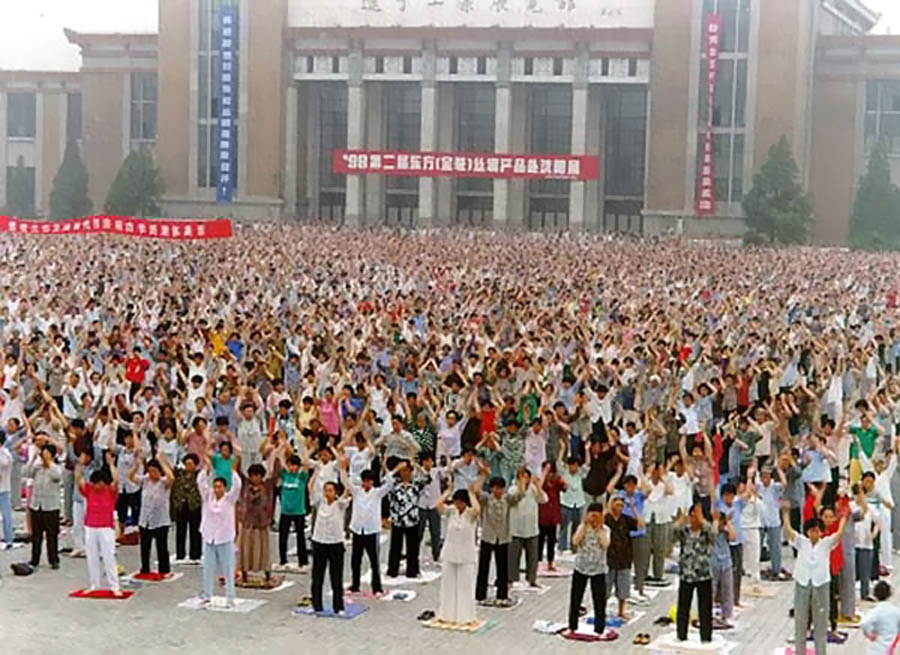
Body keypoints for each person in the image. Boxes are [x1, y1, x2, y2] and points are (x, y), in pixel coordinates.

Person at [783, 502, 847, 655]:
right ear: (807, 532)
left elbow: (839, 534)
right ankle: (800, 651)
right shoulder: (802, 542)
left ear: (821, 532)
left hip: (821, 584)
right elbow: (789, 532)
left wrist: (843, 518)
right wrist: (785, 515)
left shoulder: (826, 543)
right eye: (812, 531)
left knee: (821, 622)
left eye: (817, 531)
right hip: (802, 582)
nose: (814, 534)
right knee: (800, 620)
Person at [198, 453, 243, 608]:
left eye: (220, 487)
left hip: (225, 538)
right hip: (209, 537)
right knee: (208, 568)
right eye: (215, 487)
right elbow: (200, 482)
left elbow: (237, 486)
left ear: (225, 488)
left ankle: (230, 597)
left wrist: (233, 471)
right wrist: (206, 469)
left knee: (228, 569)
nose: (217, 489)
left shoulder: (230, 499)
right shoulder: (208, 497)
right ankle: (207, 595)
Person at [308, 456, 351, 614]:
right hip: (319, 542)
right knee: (317, 576)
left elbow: (348, 489)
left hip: (335, 544)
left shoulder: (340, 504)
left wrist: (343, 470)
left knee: (336, 577)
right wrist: (316, 472)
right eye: (326, 490)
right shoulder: (319, 502)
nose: (327, 493)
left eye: (331, 490)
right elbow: (310, 486)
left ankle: (338, 606)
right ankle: (317, 605)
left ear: (335, 492)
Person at [76, 451, 122, 595]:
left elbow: (116, 480)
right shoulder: (89, 490)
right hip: (90, 526)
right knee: (92, 557)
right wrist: (80, 464)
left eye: (99, 483)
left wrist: (111, 465)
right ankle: (94, 584)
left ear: (103, 482)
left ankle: (114, 586)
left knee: (109, 556)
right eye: (94, 483)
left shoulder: (110, 491)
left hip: (106, 527)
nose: (96, 486)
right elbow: (78, 478)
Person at [436, 482, 481, 626]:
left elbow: (477, 510)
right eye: (456, 502)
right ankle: (446, 614)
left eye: (460, 502)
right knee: (448, 585)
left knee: (465, 586)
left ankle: (465, 616)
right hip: (450, 552)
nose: (458, 504)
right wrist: (447, 492)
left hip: (466, 554)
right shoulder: (451, 511)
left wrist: (472, 494)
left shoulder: (470, 514)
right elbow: (438, 505)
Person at [348, 464, 397, 593]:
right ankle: (355, 585)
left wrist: (386, 467)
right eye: (365, 481)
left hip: (371, 531)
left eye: (369, 481)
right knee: (355, 560)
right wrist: (343, 468)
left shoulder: (377, 493)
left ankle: (377, 587)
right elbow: (345, 481)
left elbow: (390, 484)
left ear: (373, 482)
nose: (367, 483)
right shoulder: (357, 492)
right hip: (358, 529)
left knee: (374, 560)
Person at [566, 502, 612, 639]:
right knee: (575, 598)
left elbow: (605, 544)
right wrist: (585, 525)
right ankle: (572, 626)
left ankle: (599, 628)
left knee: (599, 601)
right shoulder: (582, 527)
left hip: (598, 569)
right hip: (581, 567)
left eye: (597, 515)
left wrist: (598, 528)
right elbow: (575, 541)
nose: (594, 518)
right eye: (592, 515)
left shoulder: (605, 529)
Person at [674, 499, 716, 643]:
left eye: (697, 516)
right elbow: (673, 533)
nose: (694, 519)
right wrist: (681, 520)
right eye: (692, 515)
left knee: (705, 608)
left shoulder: (706, 531)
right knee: (683, 607)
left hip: (703, 574)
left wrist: (702, 519)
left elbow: (713, 534)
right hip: (686, 574)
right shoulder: (685, 531)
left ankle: (706, 636)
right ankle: (681, 635)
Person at [237, 459, 279, 585]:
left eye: (258, 475)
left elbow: (276, 474)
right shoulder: (245, 486)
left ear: (262, 476)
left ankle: (267, 574)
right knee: (245, 550)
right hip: (248, 523)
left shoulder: (267, 487)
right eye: (253, 475)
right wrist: (238, 458)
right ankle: (244, 575)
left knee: (264, 551)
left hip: (262, 523)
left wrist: (277, 457)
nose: (255, 478)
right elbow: (238, 473)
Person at [134, 454, 175, 576]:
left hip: (161, 520)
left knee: (162, 546)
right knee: (145, 546)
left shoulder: (163, 482)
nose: (152, 474)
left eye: (154, 471)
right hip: (145, 519)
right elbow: (131, 477)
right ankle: (145, 568)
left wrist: (162, 462)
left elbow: (171, 478)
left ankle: (164, 569)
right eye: (150, 471)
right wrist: (136, 466)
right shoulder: (145, 481)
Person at [475, 474, 513, 605]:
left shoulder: (507, 499)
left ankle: (502, 595)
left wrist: (522, 481)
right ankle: (480, 595)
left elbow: (519, 495)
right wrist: (483, 476)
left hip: (503, 537)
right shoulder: (487, 499)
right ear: (491, 488)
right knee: (483, 567)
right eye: (496, 488)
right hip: (488, 536)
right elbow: (476, 491)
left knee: (503, 567)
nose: (498, 491)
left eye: (501, 488)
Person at [508, 466, 548, 588]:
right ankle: (510, 579)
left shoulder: (533, 489)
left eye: (526, 477)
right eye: (522, 477)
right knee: (513, 557)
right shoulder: (512, 489)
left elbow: (544, 500)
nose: (524, 479)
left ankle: (532, 579)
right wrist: (521, 487)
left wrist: (538, 486)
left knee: (532, 557)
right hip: (516, 529)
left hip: (532, 528)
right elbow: (512, 500)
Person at [25, 442, 62, 569]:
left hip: (51, 506)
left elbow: (57, 477)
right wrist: (33, 459)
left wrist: (49, 463)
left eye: (47, 453)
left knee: (52, 535)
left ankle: (54, 559)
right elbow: (27, 472)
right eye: (43, 453)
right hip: (37, 505)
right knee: (36, 535)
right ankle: (34, 560)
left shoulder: (56, 468)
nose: (44, 455)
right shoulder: (37, 467)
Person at [386, 460, 426, 579]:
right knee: (395, 547)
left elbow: (427, 478)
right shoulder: (394, 484)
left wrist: (416, 465)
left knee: (413, 547)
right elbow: (385, 480)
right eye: (403, 471)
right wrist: (396, 469)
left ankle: (413, 570)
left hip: (412, 520)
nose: (406, 473)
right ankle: (393, 570)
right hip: (398, 520)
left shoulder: (416, 484)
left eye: (408, 471)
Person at [277, 450, 310, 571]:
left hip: (298, 511)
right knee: (283, 536)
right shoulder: (285, 475)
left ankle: (303, 561)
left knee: (300, 536)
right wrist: (282, 445)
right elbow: (280, 459)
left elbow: (306, 464)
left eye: (294, 465)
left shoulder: (301, 477)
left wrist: (307, 450)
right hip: (285, 511)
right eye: (290, 465)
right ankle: (283, 560)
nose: (292, 468)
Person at [171, 453, 203, 564]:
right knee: (180, 530)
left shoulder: (199, 476)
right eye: (187, 464)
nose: (188, 466)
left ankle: (195, 554)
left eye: (191, 464)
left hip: (194, 505)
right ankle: (180, 554)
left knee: (195, 531)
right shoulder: (179, 474)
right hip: (181, 505)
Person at [860, 581, 900, 655]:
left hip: (876, 647)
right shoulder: (895, 611)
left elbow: (864, 623)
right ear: (890, 594)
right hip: (890, 646)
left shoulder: (875, 611)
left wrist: (868, 633)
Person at [559, 455, 586, 552]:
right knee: (564, 526)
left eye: (576, 465)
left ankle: (574, 546)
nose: (574, 467)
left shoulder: (580, 473)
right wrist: (562, 449)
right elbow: (558, 464)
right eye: (572, 465)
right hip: (566, 502)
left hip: (578, 502)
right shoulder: (564, 472)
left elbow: (587, 466)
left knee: (577, 526)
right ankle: (562, 547)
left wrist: (587, 451)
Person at [0, 432, 13, 549]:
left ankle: (9, 538)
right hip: (4, 487)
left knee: (6, 515)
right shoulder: (6, 453)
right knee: (6, 514)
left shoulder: (4, 454)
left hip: (3, 488)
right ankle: (8, 538)